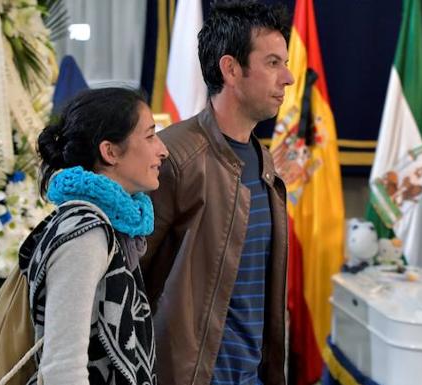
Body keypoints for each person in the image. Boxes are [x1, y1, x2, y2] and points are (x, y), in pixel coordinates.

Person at [141, 1, 294, 384]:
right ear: (231, 68)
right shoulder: (172, 157)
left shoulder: (265, 161)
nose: (288, 77)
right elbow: (129, 280)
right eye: (273, 63)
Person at [23, 87, 168, 384]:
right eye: (150, 135)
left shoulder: (114, 229)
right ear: (110, 151)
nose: (162, 149)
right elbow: (62, 370)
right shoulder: (85, 235)